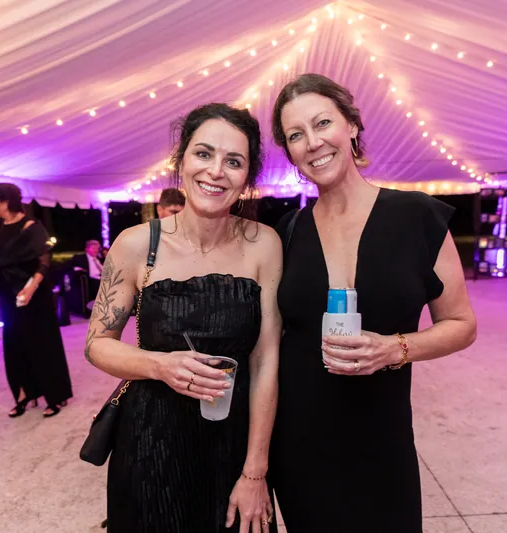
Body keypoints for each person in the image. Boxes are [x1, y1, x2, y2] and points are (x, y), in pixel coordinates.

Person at [267, 73, 478, 532]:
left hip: (383, 439)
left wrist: (393, 349)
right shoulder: (287, 232)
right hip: (299, 444)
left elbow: (462, 324)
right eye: (295, 135)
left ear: (352, 125)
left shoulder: (418, 217)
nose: (313, 142)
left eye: (323, 123)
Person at [85, 103, 281, 533]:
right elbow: (97, 344)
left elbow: (266, 362)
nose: (216, 171)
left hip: (234, 441)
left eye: (234, 161)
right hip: (151, 441)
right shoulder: (137, 245)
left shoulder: (264, 244)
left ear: (248, 176)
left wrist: (255, 471)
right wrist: (160, 365)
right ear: (181, 160)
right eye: (204, 153)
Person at [0, 183, 73, 418]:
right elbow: (0, 256)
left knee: (42, 343)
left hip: (34, 294)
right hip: (8, 294)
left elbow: (44, 260)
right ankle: (25, 393)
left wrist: (31, 288)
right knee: (15, 344)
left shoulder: (31, 226)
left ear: (5, 202)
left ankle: (55, 395)